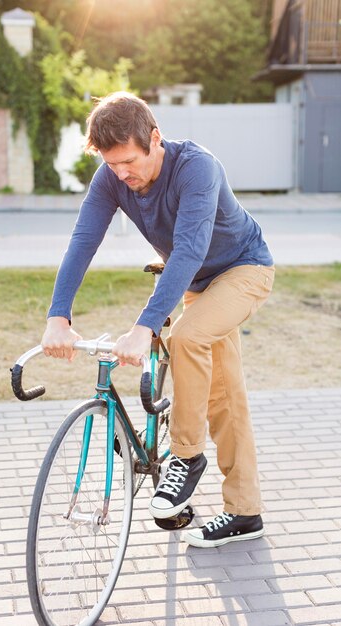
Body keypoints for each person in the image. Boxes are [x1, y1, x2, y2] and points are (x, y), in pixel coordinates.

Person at [42, 91, 275, 548]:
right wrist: (58, 316)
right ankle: (245, 512)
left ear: (154, 138)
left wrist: (145, 325)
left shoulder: (197, 167)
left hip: (244, 269)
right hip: (193, 280)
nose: (122, 172)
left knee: (186, 336)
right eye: (112, 164)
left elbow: (189, 248)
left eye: (129, 160)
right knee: (224, 398)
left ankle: (185, 459)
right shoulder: (111, 178)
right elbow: (83, 240)